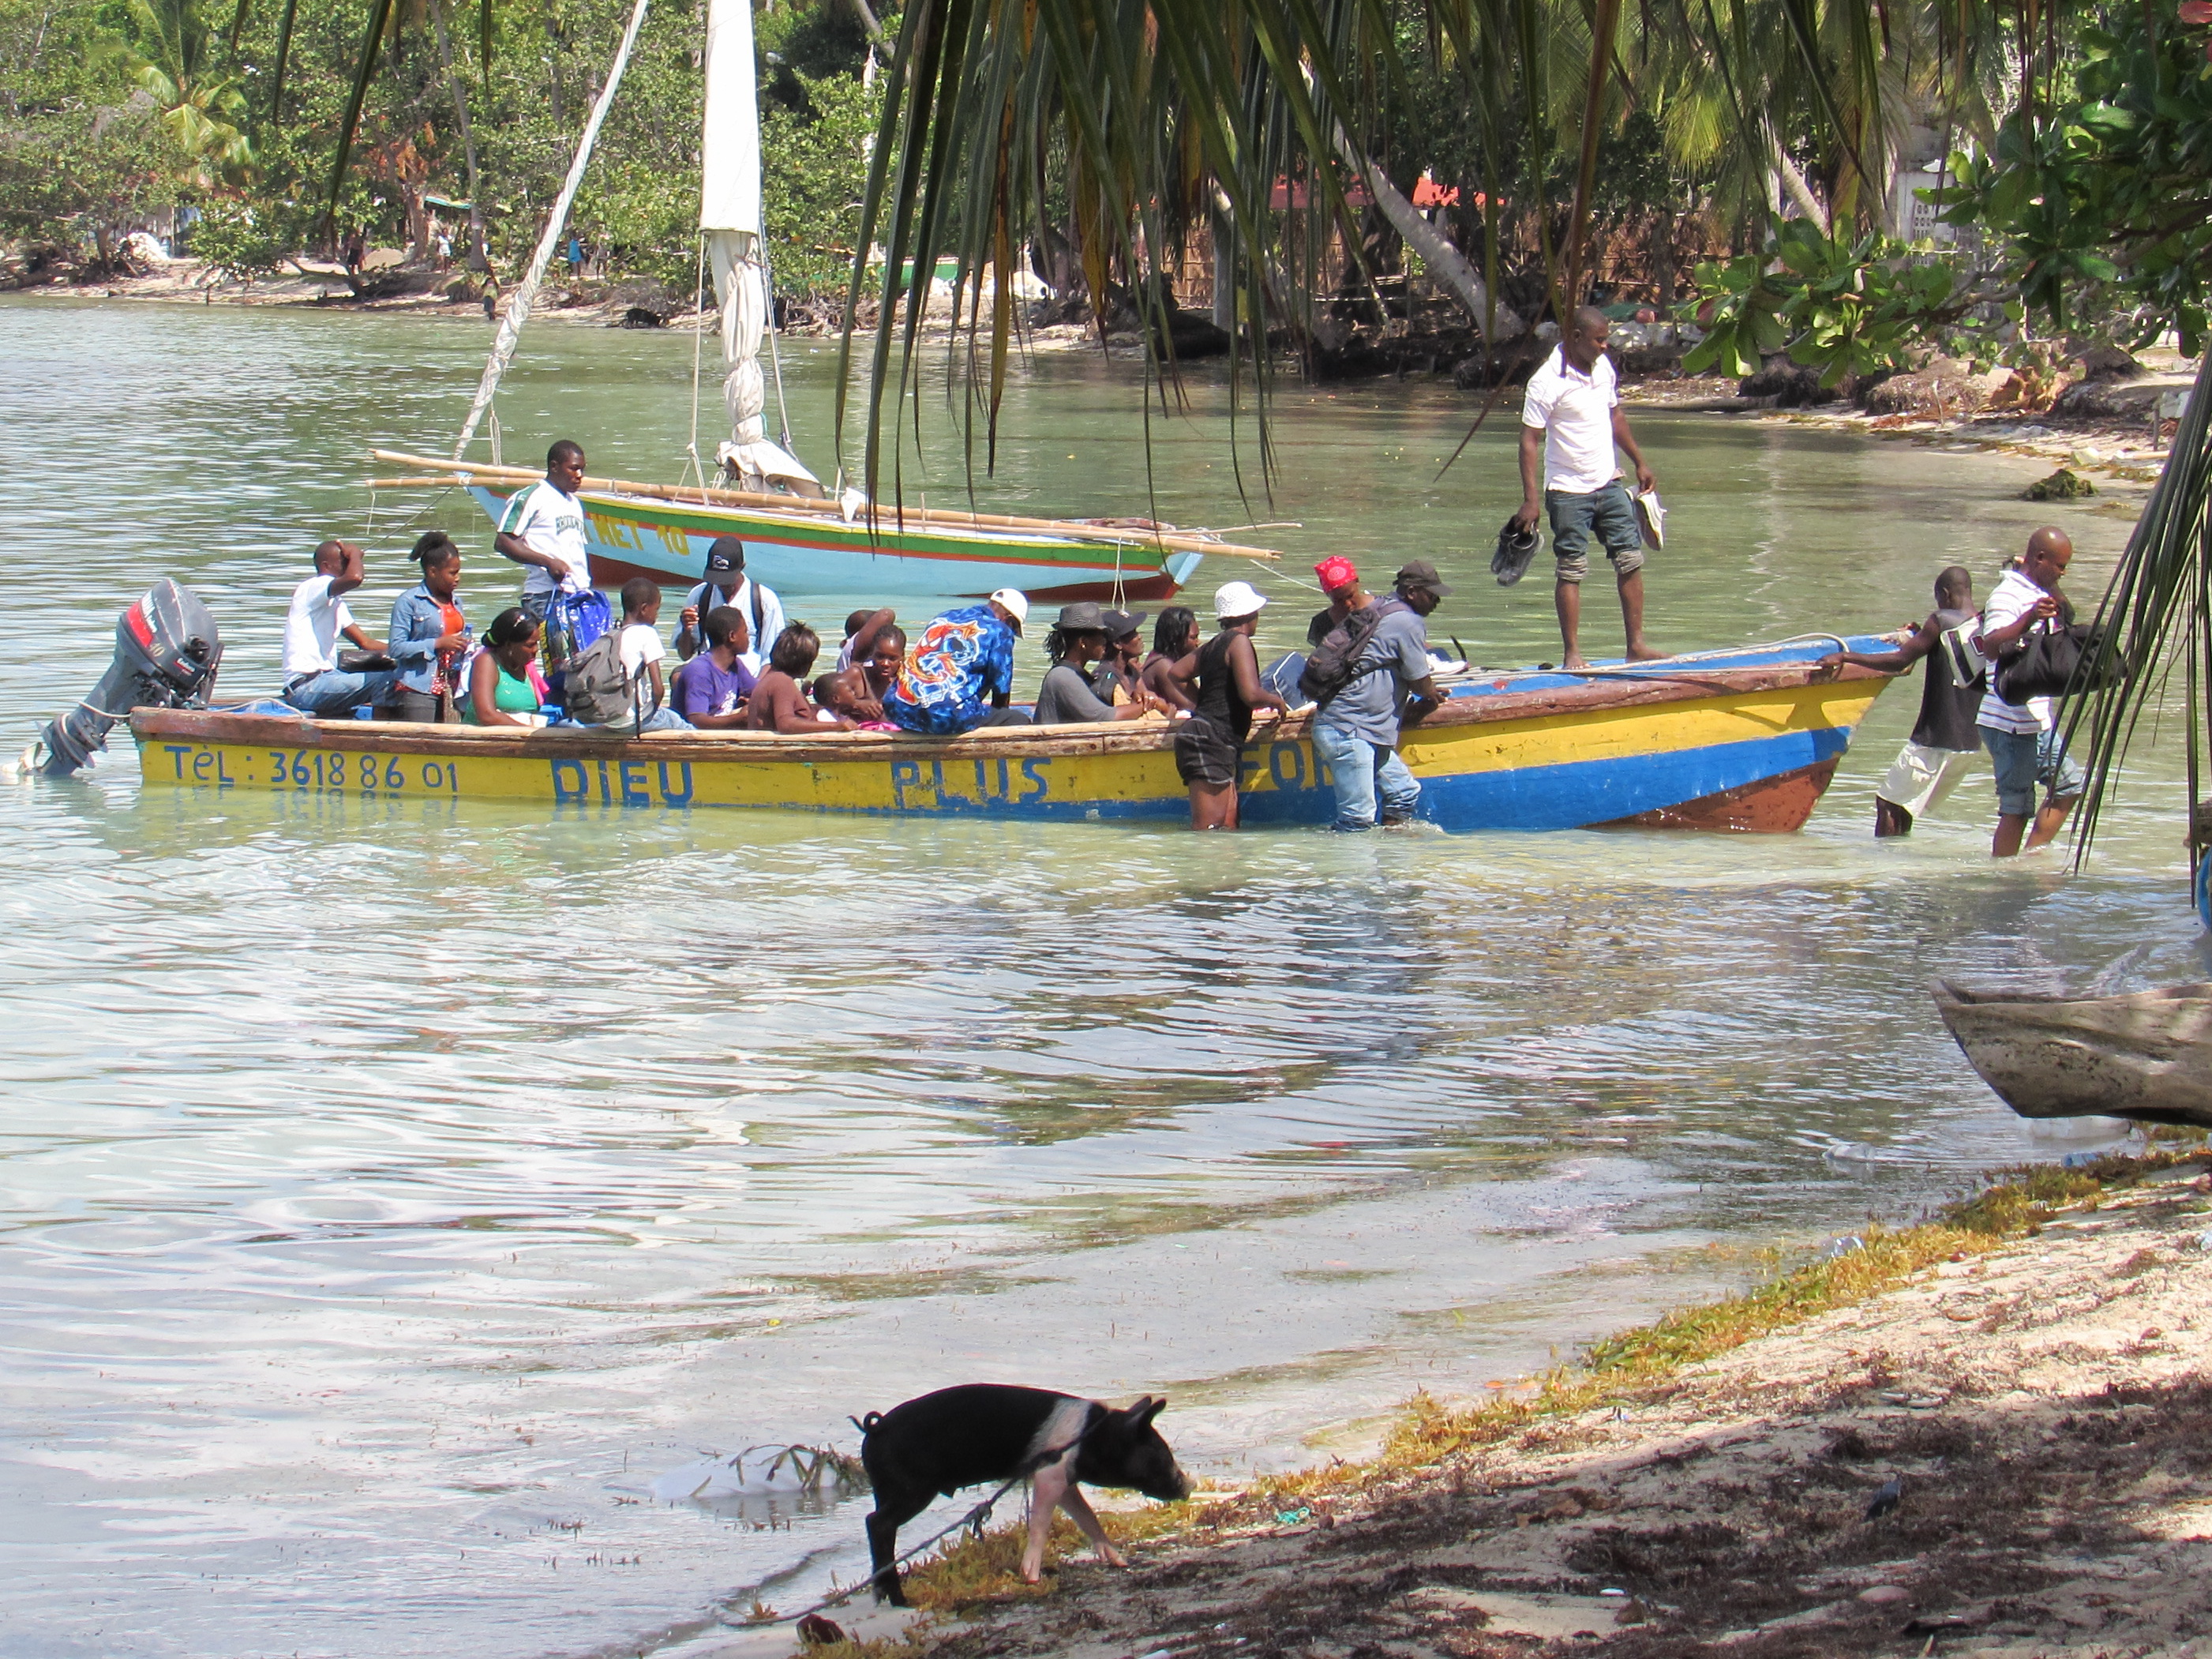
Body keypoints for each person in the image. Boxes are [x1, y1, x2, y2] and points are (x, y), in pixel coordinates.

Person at [1513, 306, 1663, 670]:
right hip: (1567, 490)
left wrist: (1639, 460)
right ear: (1576, 338)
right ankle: (1573, 654)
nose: (1605, 346)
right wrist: (1531, 500)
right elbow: (1529, 440)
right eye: (1599, 340)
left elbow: (1616, 416)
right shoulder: (1546, 381)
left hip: (1608, 481)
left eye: (1606, 339)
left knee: (1630, 559)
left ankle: (1636, 646)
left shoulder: (1603, 368)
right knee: (1571, 568)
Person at [1820, 567, 1982, 837]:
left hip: (1934, 741)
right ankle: (1900, 857)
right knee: (1903, 808)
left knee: (1888, 804)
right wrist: (1922, 635)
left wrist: (1846, 657)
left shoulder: (1941, 620)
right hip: (1968, 745)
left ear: (1944, 594)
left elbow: (1899, 661)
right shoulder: (1984, 624)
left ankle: (1884, 860)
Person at [1975, 527, 2087, 858]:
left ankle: (2028, 860)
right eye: (2060, 566)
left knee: (2069, 785)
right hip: (2008, 720)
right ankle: (2004, 874)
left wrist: (2050, 586)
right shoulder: (2007, 595)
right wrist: (2028, 618)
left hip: (2036, 719)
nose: (2064, 572)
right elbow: (1991, 646)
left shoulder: (2038, 590)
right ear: (2039, 558)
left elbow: (2069, 617)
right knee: (2017, 808)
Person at [1310, 560, 1448, 830]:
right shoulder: (1406, 621)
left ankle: (1390, 852)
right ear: (1412, 592)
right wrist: (1431, 693)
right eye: (1432, 595)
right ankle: (1347, 857)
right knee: (1357, 817)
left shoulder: (1380, 609)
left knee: (1403, 794)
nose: (1437, 601)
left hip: (1367, 728)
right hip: (1348, 729)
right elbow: (1419, 681)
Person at [1172, 582, 1290, 830]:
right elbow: (1251, 695)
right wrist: (1276, 700)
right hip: (1210, 739)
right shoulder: (1239, 642)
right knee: (1209, 829)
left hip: (1213, 738)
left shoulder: (1215, 644)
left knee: (1228, 826)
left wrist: (1203, 703)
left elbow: (1177, 673)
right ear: (1250, 614)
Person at [882, 589, 1033, 733]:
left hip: (896, 709)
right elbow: (1001, 689)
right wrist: (1000, 719)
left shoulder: (944, 617)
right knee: (1018, 719)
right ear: (1008, 619)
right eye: (1014, 627)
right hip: (946, 716)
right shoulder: (1001, 630)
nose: (1012, 632)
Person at [279, 539, 396, 715]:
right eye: (344, 561)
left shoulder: (336, 603)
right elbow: (355, 578)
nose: (349, 564)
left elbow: (365, 643)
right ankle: (382, 729)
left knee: (398, 674)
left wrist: (406, 652)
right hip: (306, 687)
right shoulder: (313, 586)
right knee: (387, 681)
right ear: (326, 566)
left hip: (330, 678)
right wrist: (355, 553)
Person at [494, 441, 592, 635]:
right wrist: (548, 562)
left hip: (577, 595)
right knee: (553, 653)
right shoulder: (532, 497)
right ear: (554, 466)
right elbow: (504, 541)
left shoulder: (575, 503)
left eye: (582, 469)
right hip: (545, 596)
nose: (579, 475)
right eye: (573, 468)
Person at [384, 531, 470, 723]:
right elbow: (396, 648)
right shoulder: (409, 601)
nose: (457, 578)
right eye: (452, 573)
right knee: (422, 737)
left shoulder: (456, 602)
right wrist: (438, 643)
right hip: (419, 687)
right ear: (432, 571)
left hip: (453, 687)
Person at [1033, 603, 1168, 723]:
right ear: (1083, 642)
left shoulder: (1077, 674)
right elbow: (1105, 718)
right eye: (1102, 636)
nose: (1105, 641)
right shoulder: (1062, 676)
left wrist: (1134, 700)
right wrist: (1147, 705)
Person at [675, 538, 784, 670]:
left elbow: (771, 660)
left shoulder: (765, 600)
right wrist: (686, 630)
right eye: (717, 578)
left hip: (751, 677)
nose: (722, 584)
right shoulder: (699, 595)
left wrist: (753, 684)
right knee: (677, 675)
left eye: (728, 578)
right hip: (708, 675)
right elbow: (685, 655)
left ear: (742, 567)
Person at [748, 624, 854, 733]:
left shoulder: (770, 678)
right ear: (804, 663)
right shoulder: (782, 682)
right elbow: (785, 724)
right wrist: (836, 726)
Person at [669, 606, 758, 728]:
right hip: (689, 735)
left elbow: (759, 690)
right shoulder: (700, 671)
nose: (748, 638)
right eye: (745, 632)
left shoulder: (735, 665)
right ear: (732, 636)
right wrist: (739, 718)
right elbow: (696, 720)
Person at [463, 609, 549, 726]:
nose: (535, 650)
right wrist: (530, 733)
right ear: (509, 645)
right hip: (483, 737)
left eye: (537, 644)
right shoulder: (487, 662)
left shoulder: (528, 669)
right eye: (530, 645)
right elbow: (486, 715)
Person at [615, 578, 678, 725]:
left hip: (610, 718)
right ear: (644, 609)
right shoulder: (647, 633)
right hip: (635, 720)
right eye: (656, 609)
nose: (657, 615)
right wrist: (652, 711)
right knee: (683, 726)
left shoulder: (612, 634)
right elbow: (658, 690)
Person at [1141, 607, 1201, 711]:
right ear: (1176, 639)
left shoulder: (1158, 655)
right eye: (1193, 637)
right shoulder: (1164, 666)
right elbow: (1192, 706)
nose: (1198, 642)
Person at [1307, 556, 1371, 647]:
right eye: (1339, 601)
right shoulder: (1321, 624)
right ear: (1327, 595)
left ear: (1357, 582)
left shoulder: (1383, 609)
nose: (1348, 604)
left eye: (1350, 596)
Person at [1096, 609, 1148, 704]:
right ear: (1117, 643)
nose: (1139, 636)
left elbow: (1146, 696)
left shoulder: (1130, 671)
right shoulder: (1106, 680)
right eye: (1132, 634)